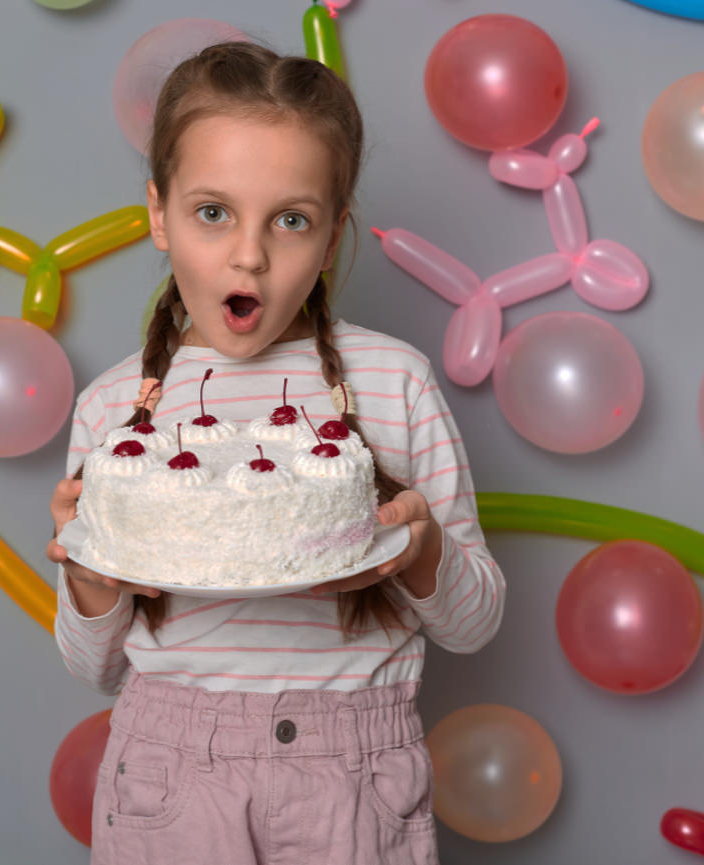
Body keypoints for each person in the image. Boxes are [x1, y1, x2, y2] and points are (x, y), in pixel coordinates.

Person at [47, 41, 505, 865]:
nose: (248, 254)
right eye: (212, 212)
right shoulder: (116, 407)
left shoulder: (394, 382)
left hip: (353, 779)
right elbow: (91, 666)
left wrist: (423, 548)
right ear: (158, 212)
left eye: (290, 220)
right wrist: (89, 576)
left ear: (332, 238)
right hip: (168, 774)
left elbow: (476, 626)